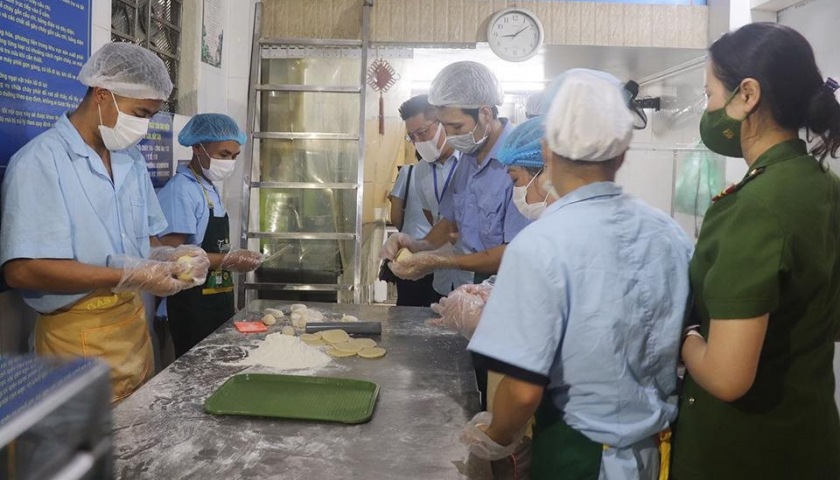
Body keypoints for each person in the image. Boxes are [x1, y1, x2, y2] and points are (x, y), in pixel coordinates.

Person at [461, 69, 694, 480]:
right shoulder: (671, 235)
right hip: (657, 454)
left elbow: (523, 391)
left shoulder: (539, 245)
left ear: (546, 150)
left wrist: (495, 437)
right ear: (622, 155)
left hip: (579, 457)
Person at [672, 23, 840, 479]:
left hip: (743, 452)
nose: (707, 109)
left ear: (747, 95)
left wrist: (685, 334)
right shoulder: (825, 186)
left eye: (709, 94)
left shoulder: (754, 207)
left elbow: (727, 377)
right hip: (811, 440)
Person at [0, 43, 208, 402]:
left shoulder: (130, 160)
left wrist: (169, 257)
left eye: (150, 116)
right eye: (140, 113)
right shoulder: (41, 162)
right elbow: (21, 271)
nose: (144, 126)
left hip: (132, 334)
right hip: (73, 341)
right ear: (101, 94)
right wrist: (125, 275)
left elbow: (141, 243)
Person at [382, 61, 530, 286]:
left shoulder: (520, 161)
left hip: (508, 282)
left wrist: (441, 261)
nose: (451, 136)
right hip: (473, 280)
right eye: (444, 126)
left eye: (457, 127)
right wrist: (418, 245)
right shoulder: (470, 157)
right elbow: (451, 222)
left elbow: (515, 251)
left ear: (485, 113)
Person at [430, 115, 555, 339]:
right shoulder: (550, 227)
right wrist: (489, 291)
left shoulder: (570, 237)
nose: (516, 192)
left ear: (546, 174)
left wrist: (485, 322)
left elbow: (553, 320)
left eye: (515, 181)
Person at [156, 113, 263, 357]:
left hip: (217, 300)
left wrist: (234, 257)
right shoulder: (181, 190)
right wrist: (228, 260)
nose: (229, 162)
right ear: (197, 147)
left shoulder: (207, 187)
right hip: (192, 306)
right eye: (223, 154)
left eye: (234, 156)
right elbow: (171, 257)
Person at [389, 95, 467, 305]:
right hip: (441, 280)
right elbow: (435, 222)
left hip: (473, 277)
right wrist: (415, 247)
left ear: (441, 123)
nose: (419, 141)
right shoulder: (421, 171)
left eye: (423, 132)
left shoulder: (469, 162)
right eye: (412, 137)